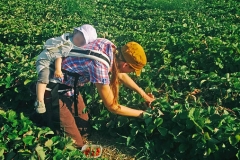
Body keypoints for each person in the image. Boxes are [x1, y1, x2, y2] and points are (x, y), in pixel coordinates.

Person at [44, 38, 155, 148]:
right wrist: (142, 114)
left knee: (85, 130)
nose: (132, 73)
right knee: (76, 143)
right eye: (132, 70)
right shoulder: (99, 66)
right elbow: (113, 107)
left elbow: (120, 74)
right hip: (53, 88)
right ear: (125, 65)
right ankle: (44, 113)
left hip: (70, 87)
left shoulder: (109, 46)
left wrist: (144, 95)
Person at [35, 24, 97, 114]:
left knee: (53, 79)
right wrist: (58, 70)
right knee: (44, 77)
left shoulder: (74, 43)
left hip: (53, 62)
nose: (80, 42)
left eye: (83, 42)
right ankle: (39, 101)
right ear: (75, 32)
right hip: (46, 60)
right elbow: (58, 57)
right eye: (80, 39)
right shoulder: (68, 43)